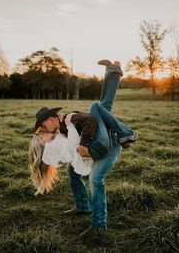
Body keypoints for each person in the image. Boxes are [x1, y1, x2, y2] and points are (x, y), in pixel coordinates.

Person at [30, 59, 136, 238]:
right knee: (103, 107)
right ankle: (82, 206)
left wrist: (83, 144)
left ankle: (99, 225)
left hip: (107, 146)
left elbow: (91, 122)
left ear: (49, 120)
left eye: (43, 128)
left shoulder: (70, 119)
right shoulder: (62, 128)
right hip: (100, 142)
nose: (44, 131)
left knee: (95, 178)